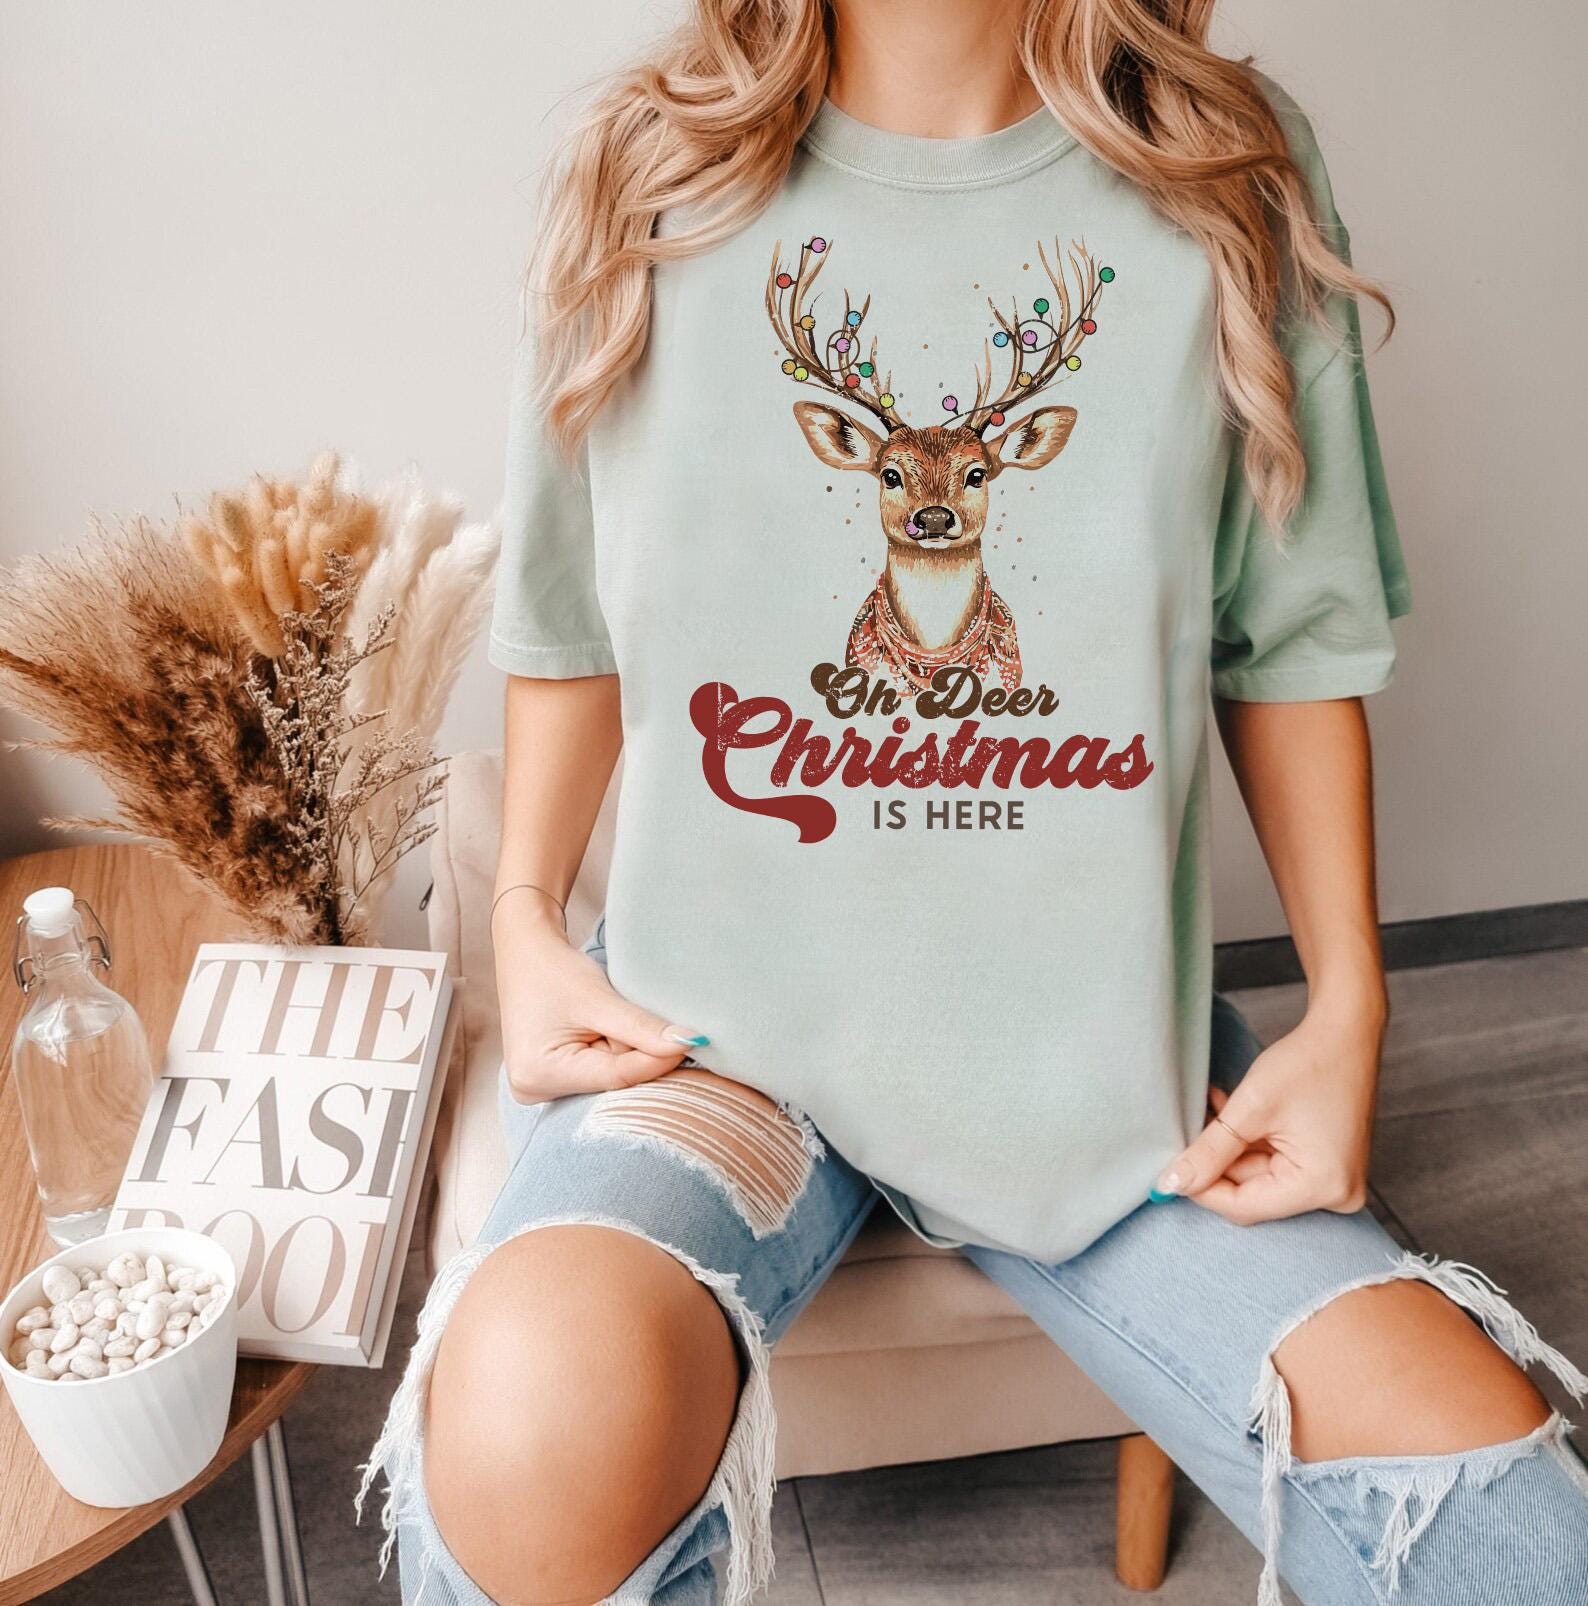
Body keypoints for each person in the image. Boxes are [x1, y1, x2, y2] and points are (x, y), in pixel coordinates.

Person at [362, 3, 1588, 1601]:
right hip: (720, 1048)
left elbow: (1293, 641)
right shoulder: (640, 176)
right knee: (534, 1423)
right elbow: (568, 625)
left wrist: (1349, 1000)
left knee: (1520, 1549)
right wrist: (525, 913)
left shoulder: (1228, 178)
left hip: (1099, 1076)